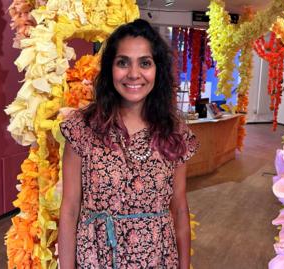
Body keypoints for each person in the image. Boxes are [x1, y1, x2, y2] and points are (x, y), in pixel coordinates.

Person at [58, 19, 198, 269]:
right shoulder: (83, 128)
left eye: (145, 63)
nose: (134, 74)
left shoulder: (174, 133)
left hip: (157, 258)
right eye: (123, 62)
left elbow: (179, 208)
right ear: (111, 68)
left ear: (158, 70)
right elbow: (69, 210)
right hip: (98, 257)